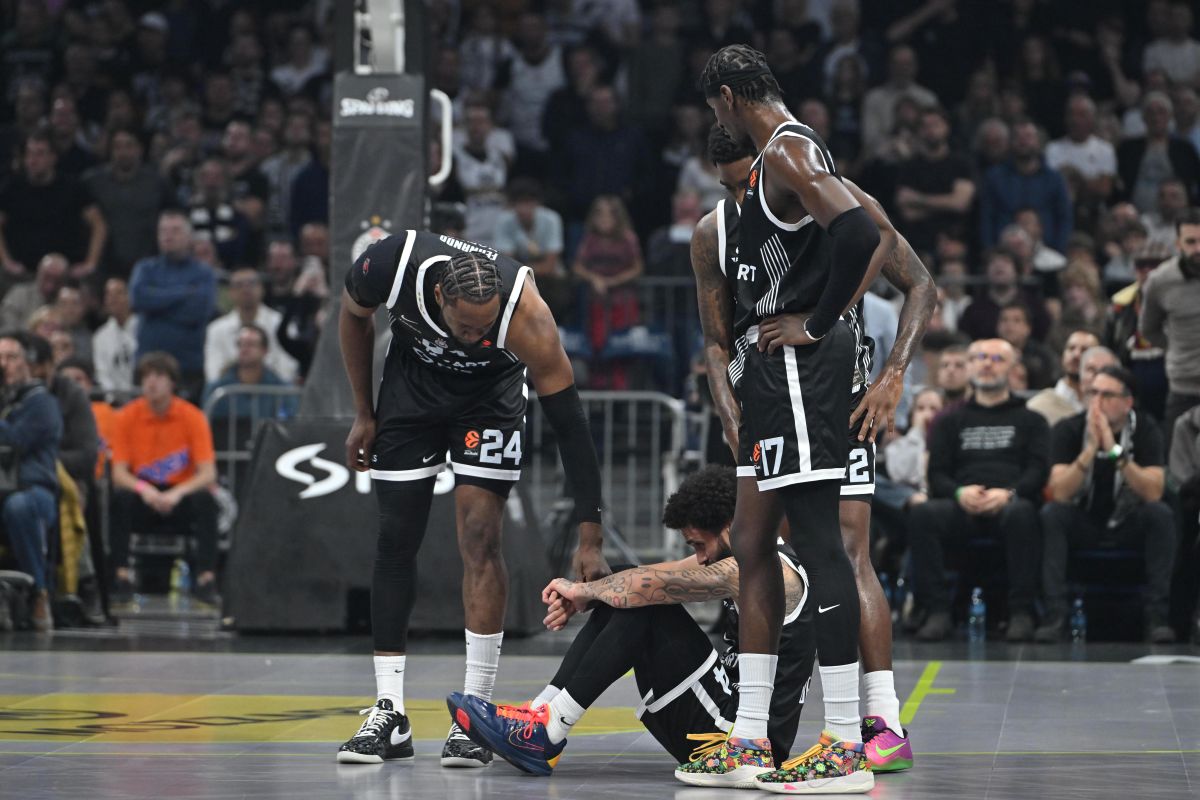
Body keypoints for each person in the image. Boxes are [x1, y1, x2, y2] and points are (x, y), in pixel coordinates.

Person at [694, 123, 934, 775]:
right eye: (733, 184)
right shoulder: (715, 230)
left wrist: (892, 374)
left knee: (847, 549)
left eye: (752, 178)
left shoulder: (827, 198)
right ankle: (752, 731)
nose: (748, 192)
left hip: (835, 394)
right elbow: (717, 338)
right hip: (767, 397)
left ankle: (878, 719)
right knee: (754, 546)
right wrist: (726, 402)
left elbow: (918, 281)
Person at [336, 230, 608, 768]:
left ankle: (474, 714)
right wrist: (364, 412)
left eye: (486, 328)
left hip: (489, 400)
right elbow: (352, 316)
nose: (475, 336)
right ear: (439, 297)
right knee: (396, 537)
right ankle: (388, 710)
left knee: (481, 537)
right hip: (410, 392)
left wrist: (590, 534)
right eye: (466, 327)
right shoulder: (391, 263)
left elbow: (572, 428)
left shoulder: (527, 318)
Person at [447, 466, 816, 777]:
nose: (700, 558)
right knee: (627, 579)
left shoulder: (769, 572)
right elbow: (644, 575)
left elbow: (649, 588)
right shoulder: (751, 556)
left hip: (742, 739)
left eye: (699, 545)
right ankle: (541, 714)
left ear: (731, 526)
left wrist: (586, 592)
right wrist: (586, 594)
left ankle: (549, 730)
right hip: (725, 712)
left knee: (645, 601)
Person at [909, 339, 1050, 643]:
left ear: (1013, 368)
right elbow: (937, 474)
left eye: (997, 358)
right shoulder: (948, 421)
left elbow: (1038, 472)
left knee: (1023, 512)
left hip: (1009, 504)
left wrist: (1009, 493)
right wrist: (959, 493)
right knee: (923, 515)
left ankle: (1021, 613)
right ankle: (937, 612)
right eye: (980, 357)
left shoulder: (1032, 421)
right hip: (962, 504)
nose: (988, 364)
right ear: (970, 365)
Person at [1036, 365, 1175, 643]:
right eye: (1092, 393)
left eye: (1106, 395)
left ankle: (1157, 616)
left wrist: (1114, 451)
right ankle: (1055, 616)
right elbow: (1060, 491)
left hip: (1127, 521)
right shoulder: (1068, 429)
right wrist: (1089, 450)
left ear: (1127, 402)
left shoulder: (1146, 429)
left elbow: (1153, 491)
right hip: (1084, 521)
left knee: (1160, 514)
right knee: (1053, 514)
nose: (1096, 403)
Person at [108, 352, 220, 606]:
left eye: (158, 376)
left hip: (179, 493)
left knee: (206, 501)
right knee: (120, 499)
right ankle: (121, 576)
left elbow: (208, 472)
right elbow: (119, 473)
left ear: (172, 382)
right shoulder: (125, 417)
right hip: (143, 494)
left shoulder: (193, 416)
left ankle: (206, 578)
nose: (151, 382)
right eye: (146, 376)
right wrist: (144, 489)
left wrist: (177, 492)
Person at [0, 330, 62, 632]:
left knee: (19, 506)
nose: (4, 364)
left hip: (33, 490)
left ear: (29, 364)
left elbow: (14, 441)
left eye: (11, 357)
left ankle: (39, 592)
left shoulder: (42, 403)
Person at [129, 210, 217, 401]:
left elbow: (198, 311)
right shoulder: (145, 268)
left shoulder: (203, 273)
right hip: (147, 366)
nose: (168, 235)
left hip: (188, 368)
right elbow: (139, 299)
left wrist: (157, 306)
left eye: (175, 230)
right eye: (163, 231)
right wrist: (184, 293)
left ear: (189, 237)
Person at [1140, 208, 1200, 449]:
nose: (1198, 249)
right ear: (1178, 243)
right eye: (1191, 241)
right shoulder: (1160, 281)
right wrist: (1175, 348)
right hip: (1183, 387)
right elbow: (1148, 329)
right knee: (1177, 468)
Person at [204, 268, 297, 384]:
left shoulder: (281, 324)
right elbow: (214, 375)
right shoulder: (215, 329)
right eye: (239, 285)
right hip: (231, 398)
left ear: (262, 289)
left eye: (252, 283)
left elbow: (288, 370)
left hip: (275, 395)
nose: (245, 289)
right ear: (230, 292)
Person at [1026, 330, 1102, 427]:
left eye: (1085, 350)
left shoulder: (1105, 405)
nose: (1076, 354)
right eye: (1071, 348)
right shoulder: (1038, 406)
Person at [92, 277, 139, 393]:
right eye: (109, 294)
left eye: (119, 293)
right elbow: (102, 374)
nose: (113, 299)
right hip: (114, 400)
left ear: (130, 296)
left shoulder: (144, 329)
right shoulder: (100, 337)